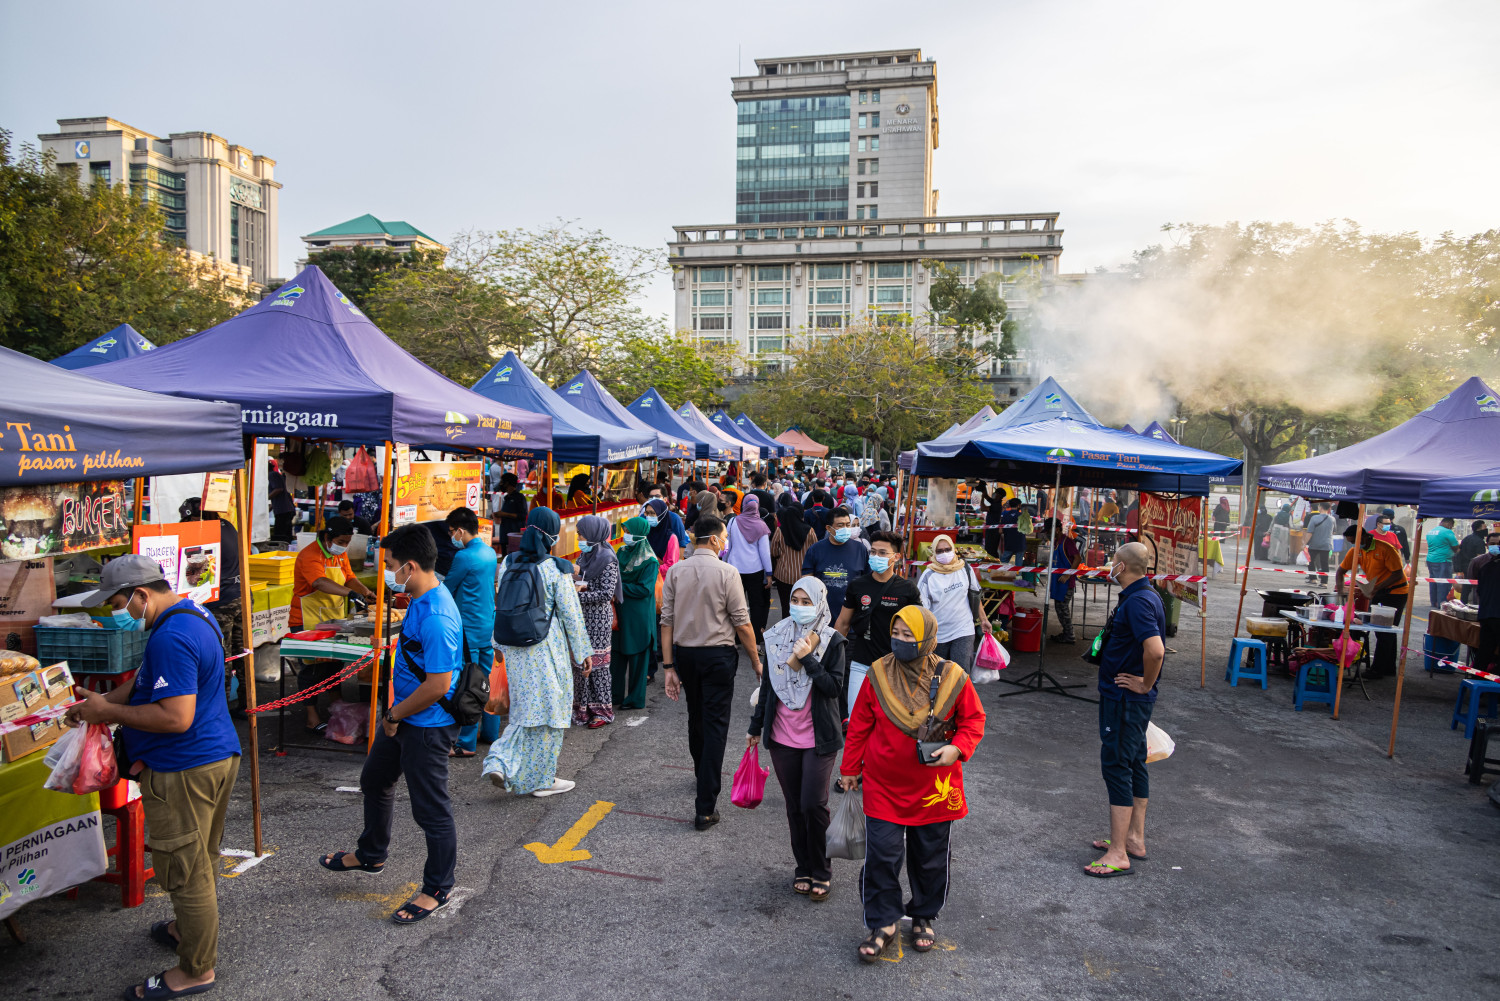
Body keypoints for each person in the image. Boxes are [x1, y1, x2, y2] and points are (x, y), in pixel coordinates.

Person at [66, 555, 241, 999]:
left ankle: (196, 971)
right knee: (202, 854)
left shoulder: (173, 635)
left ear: (142, 595)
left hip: (185, 766)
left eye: (120, 603)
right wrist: (104, 702)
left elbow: (175, 717)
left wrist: (109, 712)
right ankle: (188, 930)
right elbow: (147, 682)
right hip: (216, 755)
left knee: (186, 871)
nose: (117, 613)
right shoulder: (193, 614)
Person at [319, 524, 462, 924]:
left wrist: (395, 715)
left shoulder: (437, 616)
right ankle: (371, 854)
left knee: (431, 810)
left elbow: (438, 685)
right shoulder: (418, 595)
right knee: (375, 780)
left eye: (391, 566)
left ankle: (437, 888)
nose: (387, 572)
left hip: (426, 725)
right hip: (400, 717)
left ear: (411, 567)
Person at [839, 606, 986, 961]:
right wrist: (849, 768)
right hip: (883, 785)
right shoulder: (877, 673)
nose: (900, 641)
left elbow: (974, 721)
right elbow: (859, 724)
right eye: (897, 634)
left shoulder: (953, 676)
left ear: (928, 638)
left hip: (936, 787)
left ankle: (923, 915)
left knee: (931, 858)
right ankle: (884, 922)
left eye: (909, 635)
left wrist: (958, 748)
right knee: (882, 856)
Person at [748, 576, 847, 901]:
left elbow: (833, 689)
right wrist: (755, 726)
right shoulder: (776, 636)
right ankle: (802, 867)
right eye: (796, 601)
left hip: (818, 738)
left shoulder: (832, 640)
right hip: (782, 736)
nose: (800, 608)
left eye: (807, 602)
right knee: (794, 807)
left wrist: (807, 659)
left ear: (820, 602)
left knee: (813, 805)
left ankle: (822, 869)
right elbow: (769, 688)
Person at [660, 515, 761, 830]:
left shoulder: (676, 570)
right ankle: (705, 807)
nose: (725, 542)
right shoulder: (728, 572)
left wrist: (668, 667)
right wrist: (756, 661)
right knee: (715, 723)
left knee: (696, 716)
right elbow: (742, 622)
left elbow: (666, 621)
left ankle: (701, 773)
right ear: (716, 539)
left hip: (685, 655)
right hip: (718, 655)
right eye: (724, 537)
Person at [483, 508, 592, 797]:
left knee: (525, 712)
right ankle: (536, 776)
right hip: (546, 649)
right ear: (552, 535)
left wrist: (496, 644)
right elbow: (571, 615)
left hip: (513, 649)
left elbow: (501, 602)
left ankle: (505, 763)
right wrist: (583, 653)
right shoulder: (556, 569)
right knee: (552, 713)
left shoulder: (508, 562)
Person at [1085, 541, 1165, 879]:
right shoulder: (1145, 596)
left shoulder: (1139, 602)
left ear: (1123, 566)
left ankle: (1118, 853)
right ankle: (1133, 838)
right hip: (1128, 699)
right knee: (1133, 761)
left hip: (1125, 700)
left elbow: (1156, 650)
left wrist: (1145, 684)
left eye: (1112, 560)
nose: (1109, 564)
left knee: (1116, 764)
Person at [289, 516, 377, 731]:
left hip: (332, 618)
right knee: (312, 668)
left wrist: (365, 593)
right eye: (342, 542)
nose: (344, 546)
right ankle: (311, 716)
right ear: (327, 537)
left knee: (334, 664)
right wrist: (351, 594)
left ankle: (337, 706)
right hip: (306, 619)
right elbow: (319, 582)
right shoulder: (310, 555)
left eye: (347, 542)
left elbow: (348, 577)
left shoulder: (339, 555)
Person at [835, 531, 921, 717]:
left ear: (896, 557)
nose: (876, 557)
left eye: (882, 553)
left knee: (890, 722)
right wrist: (833, 654)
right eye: (873, 552)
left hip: (896, 666)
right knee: (856, 721)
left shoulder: (908, 589)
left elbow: (919, 629)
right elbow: (842, 623)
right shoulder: (857, 585)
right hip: (861, 663)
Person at [178, 497, 244, 711]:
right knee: (243, 652)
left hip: (222, 601)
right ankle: (247, 703)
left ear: (196, 517)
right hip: (242, 595)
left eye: (188, 519)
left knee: (221, 656)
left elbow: (197, 577)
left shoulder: (205, 532)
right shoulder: (227, 525)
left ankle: (220, 710)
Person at [445, 507, 499, 758]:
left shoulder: (464, 557)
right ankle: (490, 733)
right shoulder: (489, 553)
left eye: (452, 532)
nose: (451, 537)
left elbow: (447, 588)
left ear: (460, 530)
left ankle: (466, 743)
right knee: (486, 682)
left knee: (469, 685)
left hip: (467, 630)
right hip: (486, 626)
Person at [1334, 525, 1409, 679]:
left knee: (1385, 630)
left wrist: (1376, 588)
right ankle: (1388, 668)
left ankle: (1378, 669)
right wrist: (1341, 591)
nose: (1354, 545)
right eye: (1351, 542)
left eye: (1355, 541)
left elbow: (1397, 574)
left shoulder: (1386, 548)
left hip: (1396, 592)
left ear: (1365, 537)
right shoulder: (1356, 551)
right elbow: (1340, 571)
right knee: (1384, 630)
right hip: (1378, 591)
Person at [572, 515, 619, 728]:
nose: (578, 537)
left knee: (598, 666)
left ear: (592, 534)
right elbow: (585, 579)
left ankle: (601, 711)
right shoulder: (585, 555)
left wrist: (576, 595)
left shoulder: (608, 558)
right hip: (582, 617)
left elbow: (606, 593)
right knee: (581, 665)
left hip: (598, 620)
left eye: (581, 534)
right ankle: (583, 710)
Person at [917, 534, 991, 667]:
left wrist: (984, 620)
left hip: (963, 630)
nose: (944, 553)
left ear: (953, 549)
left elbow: (975, 595)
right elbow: (923, 611)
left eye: (947, 549)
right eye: (939, 551)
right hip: (937, 635)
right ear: (934, 552)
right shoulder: (928, 577)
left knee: (961, 676)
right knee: (937, 677)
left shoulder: (965, 569)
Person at [611, 516, 660, 709]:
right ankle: (614, 696)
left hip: (638, 616)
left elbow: (645, 589)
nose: (626, 536)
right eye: (626, 531)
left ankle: (634, 699)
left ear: (639, 533)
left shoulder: (650, 561)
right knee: (617, 657)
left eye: (629, 532)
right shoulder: (621, 552)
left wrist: (619, 589)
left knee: (638, 660)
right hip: (620, 613)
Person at [725, 494, 774, 646]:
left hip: (734, 569)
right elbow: (765, 553)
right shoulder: (761, 525)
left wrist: (724, 565)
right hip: (755, 571)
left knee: (735, 604)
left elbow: (727, 547)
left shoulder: (733, 522)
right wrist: (769, 574)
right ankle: (755, 639)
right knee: (756, 605)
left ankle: (734, 637)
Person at [801, 507, 869, 616]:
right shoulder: (815, 550)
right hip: (821, 616)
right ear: (828, 528)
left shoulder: (860, 549)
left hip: (852, 616)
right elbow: (806, 581)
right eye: (840, 525)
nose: (846, 528)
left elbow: (867, 579)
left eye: (848, 525)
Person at [771, 496, 817, 616]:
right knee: (804, 607)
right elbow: (816, 551)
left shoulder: (780, 531)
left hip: (784, 575)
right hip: (805, 576)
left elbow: (774, 552)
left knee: (786, 607)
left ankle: (786, 632)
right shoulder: (810, 531)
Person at [1040, 519, 1081, 644]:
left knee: (1063, 608)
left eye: (1048, 531)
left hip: (1066, 582)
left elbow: (1077, 558)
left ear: (1056, 529)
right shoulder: (1056, 542)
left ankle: (1070, 635)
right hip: (1058, 581)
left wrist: (1068, 574)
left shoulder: (1067, 542)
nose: (1047, 534)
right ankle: (1066, 633)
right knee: (1059, 608)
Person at [1467, 530, 1500, 671]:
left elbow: (1481, 589)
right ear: (1487, 545)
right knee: (1486, 651)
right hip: (1494, 614)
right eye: (1493, 544)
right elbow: (1473, 586)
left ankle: (1477, 679)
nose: (1496, 547)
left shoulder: (1487, 566)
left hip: (1486, 613)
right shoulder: (1480, 563)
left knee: (1485, 651)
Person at [1424, 517, 1461, 609]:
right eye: (1451, 526)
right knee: (1444, 583)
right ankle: (1442, 603)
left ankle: (1434, 602)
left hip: (1431, 559)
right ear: (1449, 524)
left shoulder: (1431, 531)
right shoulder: (1447, 532)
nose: (1451, 528)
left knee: (1433, 582)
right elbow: (1455, 547)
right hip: (1443, 560)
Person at [494, 472, 528, 554]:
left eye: (502, 482)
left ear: (507, 483)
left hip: (514, 537)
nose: (501, 484)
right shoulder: (507, 497)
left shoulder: (519, 498)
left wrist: (504, 514)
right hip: (504, 535)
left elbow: (523, 515)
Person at [1303, 503, 1336, 587]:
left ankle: (1313, 579)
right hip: (1326, 544)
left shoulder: (1314, 518)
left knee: (1311, 561)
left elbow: (1309, 532)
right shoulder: (1332, 519)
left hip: (1315, 544)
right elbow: (1334, 531)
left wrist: (1304, 543)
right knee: (1325, 563)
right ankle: (1324, 582)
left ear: (1320, 507)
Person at [1457, 520, 1490, 603]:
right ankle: (1475, 604)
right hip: (1474, 567)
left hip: (1464, 565)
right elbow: (1480, 557)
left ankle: (1463, 603)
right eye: (1485, 527)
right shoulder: (1479, 541)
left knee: (1466, 587)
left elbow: (1458, 551)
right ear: (1479, 529)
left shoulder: (1466, 538)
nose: (1486, 529)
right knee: (1476, 586)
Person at [268, 457, 295, 542]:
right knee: (285, 536)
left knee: (280, 536)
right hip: (285, 510)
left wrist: (266, 498)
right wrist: (269, 508)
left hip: (283, 511)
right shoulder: (275, 475)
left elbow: (279, 489)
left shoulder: (272, 475)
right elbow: (279, 497)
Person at [998, 497, 1027, 565]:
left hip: (1009, 543)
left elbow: (1000, 531)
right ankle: (1018, 575)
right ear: (1018, 505)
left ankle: (1001, 574)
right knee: (1018, 566)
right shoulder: (1022, 516)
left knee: (1003, 564)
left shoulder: (1005, 515)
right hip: (1020, 543)